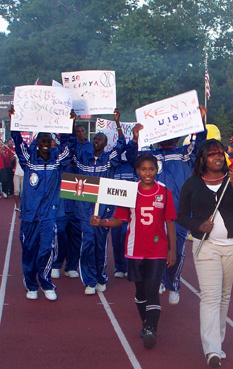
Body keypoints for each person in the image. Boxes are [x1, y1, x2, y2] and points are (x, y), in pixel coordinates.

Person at [177, 139, 233, 368]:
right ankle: (212, 350)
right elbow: (181, 216)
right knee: (210, 296)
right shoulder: (192, 184)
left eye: (220, 154)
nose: (218, 158)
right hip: (206, 247)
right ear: (202, 159)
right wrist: (197, 226)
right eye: (212, 155)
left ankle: (217, 341)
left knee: (224, 295)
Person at [90, 153, 176, 349]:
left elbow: (170, 221)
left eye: (151, 169)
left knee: (152, 290)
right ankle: (146, 322)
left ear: (157, 170)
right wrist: (102, 222)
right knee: (140, 292)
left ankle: (151, 329)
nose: (148, 173)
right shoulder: (130, 192)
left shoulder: (164, 192)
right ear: (137, 171)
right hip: (135, 250)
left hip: (158, 250)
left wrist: (172, 249)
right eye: (144, 169)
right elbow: (119, 219)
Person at [126, 106, 207, 305]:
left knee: (176, 251)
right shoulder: (149, 155)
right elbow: (131, 158)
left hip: (178, 211)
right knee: (155, 250)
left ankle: (174, 283)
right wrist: (135, 139)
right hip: (153, 212)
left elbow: (200, 145)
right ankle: (159, 280)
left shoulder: (184, 154)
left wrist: (201, 121)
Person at [10, 108, 76, 301]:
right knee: (29, 252)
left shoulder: (58, 161)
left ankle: (47, 284)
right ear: (37, 143)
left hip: (49, 216)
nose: (46, 144)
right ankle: (31, 285)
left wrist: (70, 123)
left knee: (46, 251)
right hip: (30, 216)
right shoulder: (28, 160)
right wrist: (14, 119)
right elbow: (17, 141)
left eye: (49, 141)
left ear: (52, 142)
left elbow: (69, 146)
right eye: (42, 141)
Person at [73, 109, 127, 295]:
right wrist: (72, 122)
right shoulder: (82, 158)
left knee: (100, 244)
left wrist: (117, 123)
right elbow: (72, 144)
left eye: (100, 140)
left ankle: (100, 277)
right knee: (87, 243)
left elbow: (122, 144)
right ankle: (89, 281)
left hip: (103, 210)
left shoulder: (109, 159)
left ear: (105, 144)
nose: (96, 141)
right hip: (85, 209)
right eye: (95, 139)